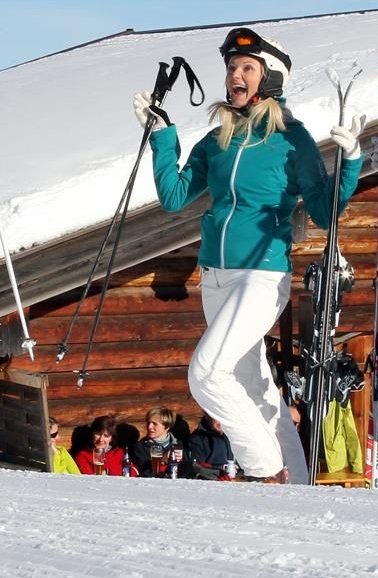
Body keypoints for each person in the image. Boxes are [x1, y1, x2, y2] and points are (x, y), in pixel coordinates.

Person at [141, 28, 363, 485]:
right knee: (252, 385)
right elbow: (174, 196)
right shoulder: (218, 139)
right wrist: (162, 136)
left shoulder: (292, 140)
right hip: (215, 277)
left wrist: (352, 161)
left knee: (207, 373)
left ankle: (266, 471)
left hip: (261, 274)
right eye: (231, 67)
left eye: (246, 67)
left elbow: (324, 211)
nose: (234, 75)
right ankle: (296, 483)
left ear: (270, 78)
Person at [130, 407, 185, 478]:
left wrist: (181, 462)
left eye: (154, 424)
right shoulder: (140, 446)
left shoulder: (177, 444)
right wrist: (163, 460)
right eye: (148, 423)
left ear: (167, 427)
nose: (149, 427)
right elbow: (144, 473)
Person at [185, 414, 236, 480]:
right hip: (210, 483)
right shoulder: (197, 439)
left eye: (223, 417)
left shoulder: (230, 438)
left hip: (232, 481)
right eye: (216, 417)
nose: (220, 421)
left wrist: (235, 468)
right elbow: (197, 468)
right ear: (207, 416)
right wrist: (219, 473)